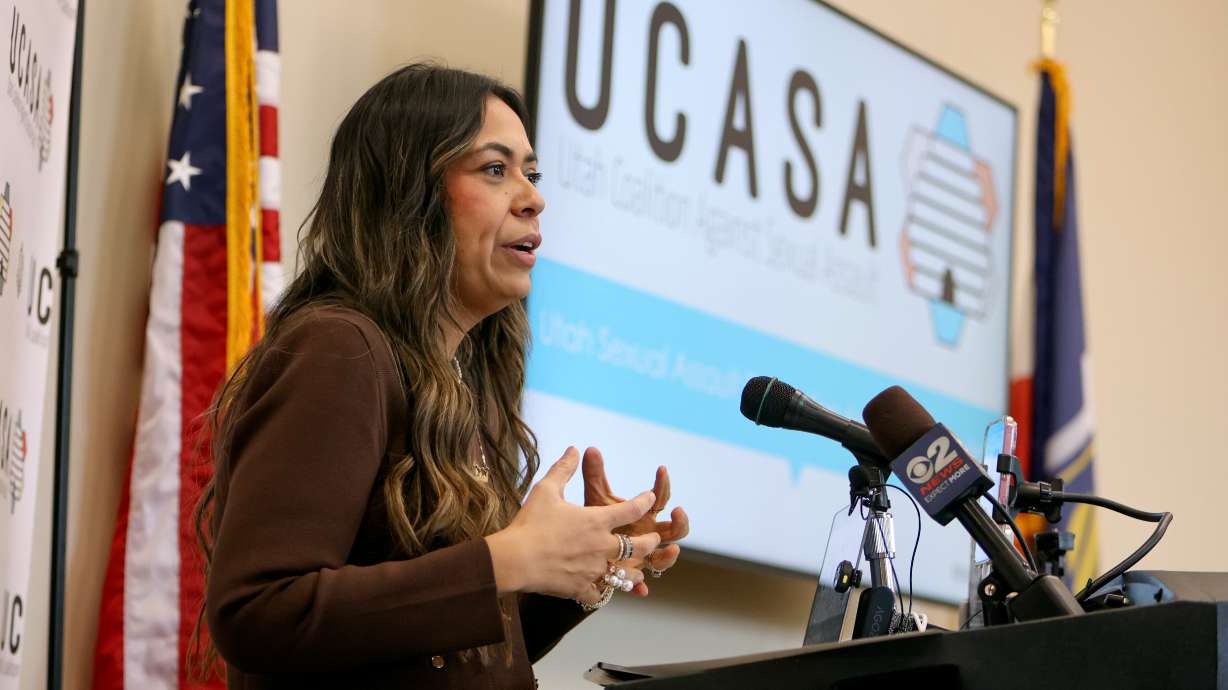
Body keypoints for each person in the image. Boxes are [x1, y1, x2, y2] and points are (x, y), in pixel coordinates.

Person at [192, 63, 689, 689]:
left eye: (531, 174)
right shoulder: (338, 349)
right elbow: (259, 613)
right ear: (410, 194)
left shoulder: (457, 381)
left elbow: (447, 653)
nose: (534, 198)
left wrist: (575, 566)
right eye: (495, 169)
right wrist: (506, 560)